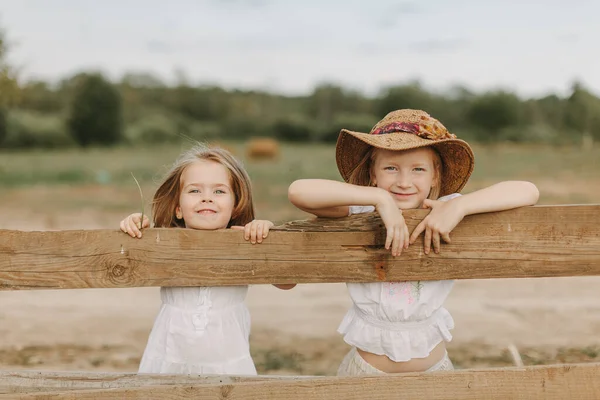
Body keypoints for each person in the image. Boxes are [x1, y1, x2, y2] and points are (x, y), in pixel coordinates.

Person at [288, 109, 539, 375]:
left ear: (435, 176)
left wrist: (460, 207)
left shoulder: (444, 209)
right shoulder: (361, 210)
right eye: (390, 168)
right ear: (373, 174)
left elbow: (528, 190)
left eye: (418, 169)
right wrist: (380, 200)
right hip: (366, 375)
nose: (404, 182)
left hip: (435, 373)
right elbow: (298, 191)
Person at [119, 143, 294, 375]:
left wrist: (268, 233)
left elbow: (287, 282)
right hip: (170, 357)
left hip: (227, 361)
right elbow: (129, 253)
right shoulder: (165, 241)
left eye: (219, 191)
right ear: (178, 208)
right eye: (194, 191)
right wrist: (135, 224)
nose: (206, 198)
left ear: (235, 206)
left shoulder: (246, 240)